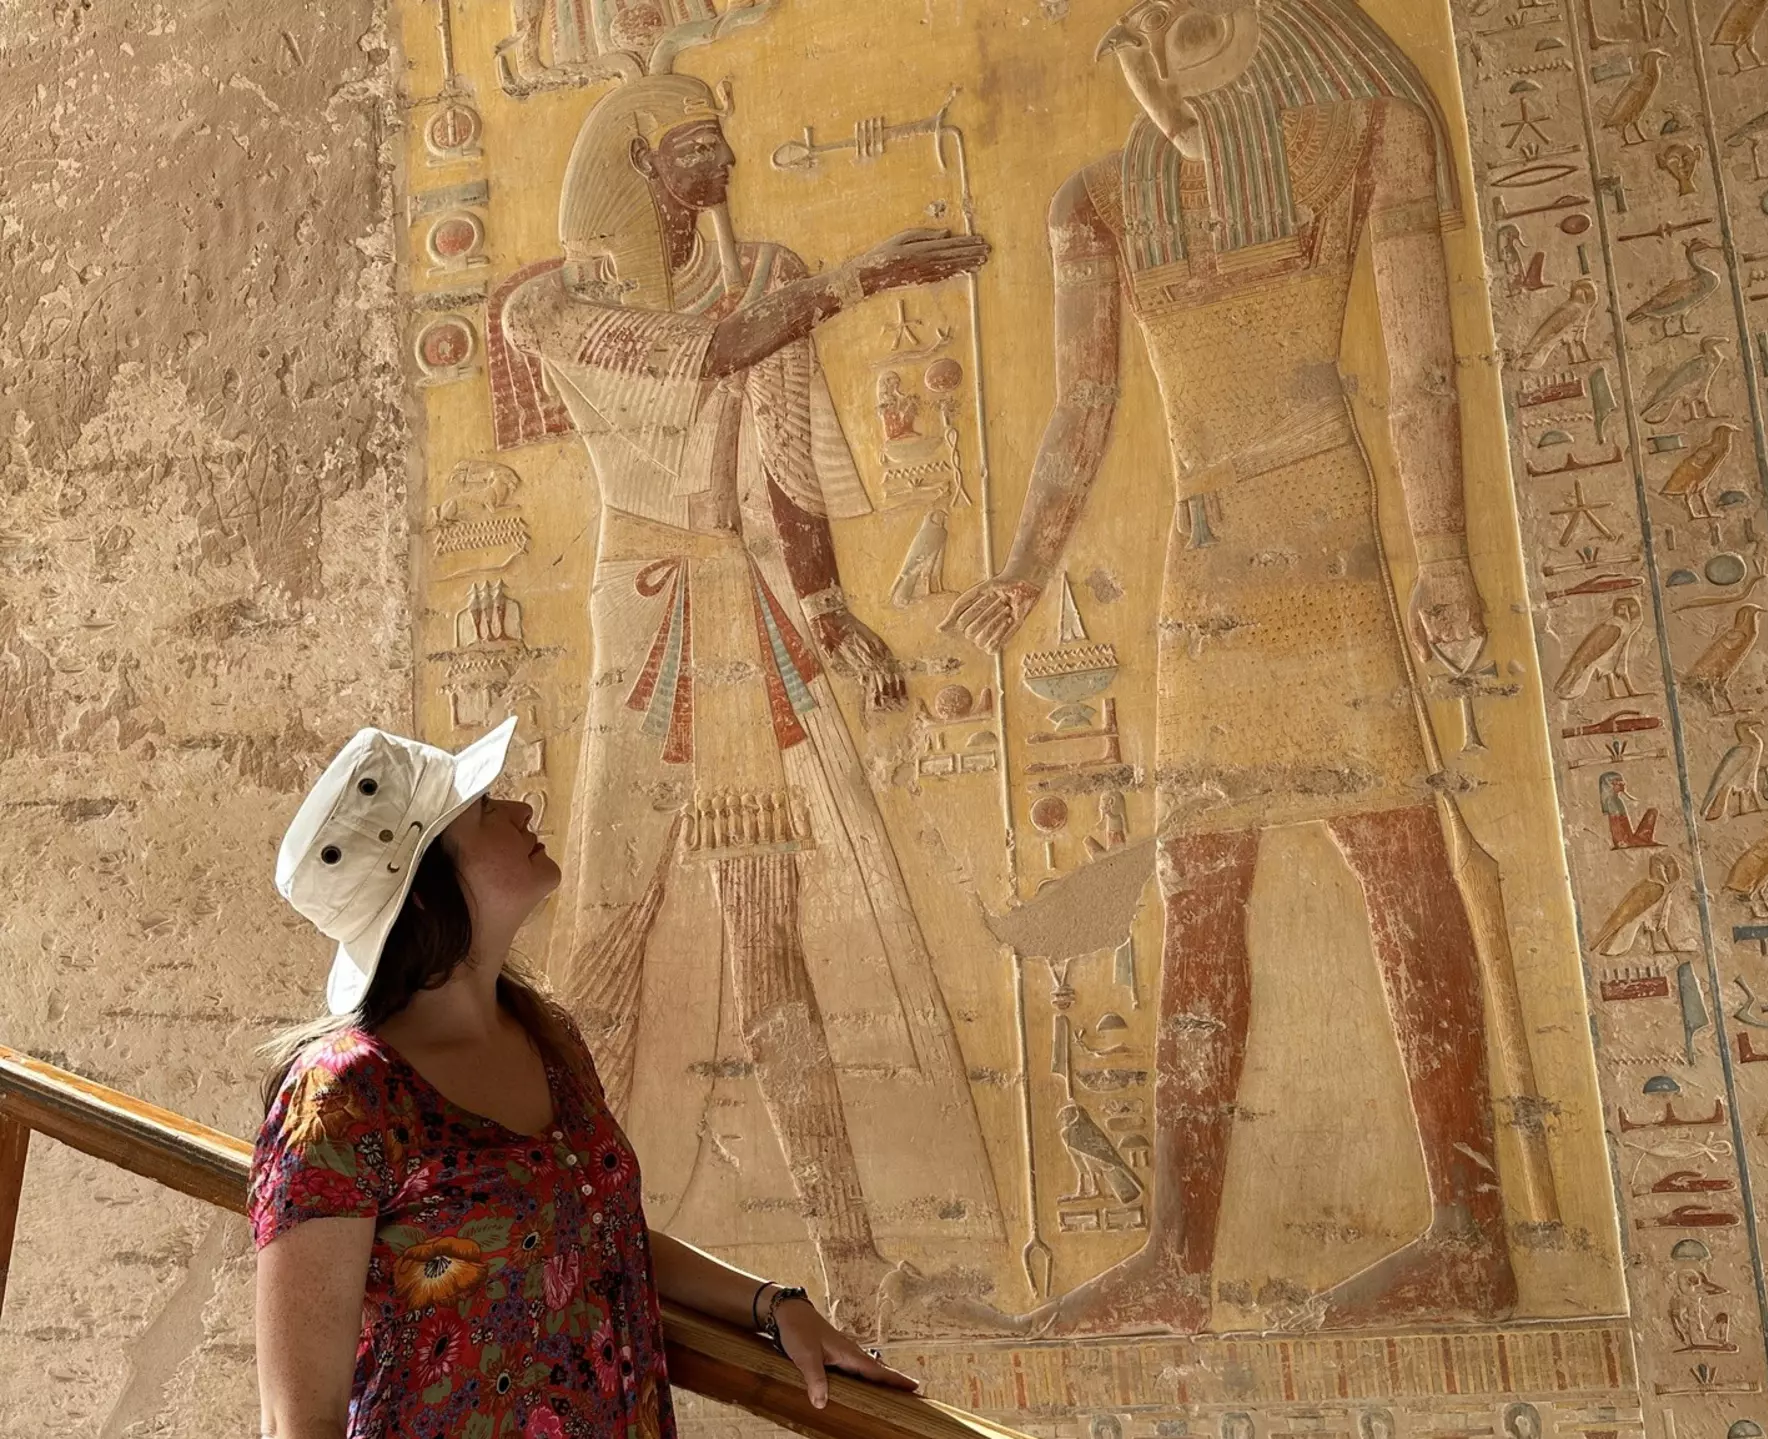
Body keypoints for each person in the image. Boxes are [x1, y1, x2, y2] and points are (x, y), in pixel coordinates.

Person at [944, 0, 1515, 1331]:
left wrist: (1443, 560)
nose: (1152, 57)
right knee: (1197, 891)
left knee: (1401, 865)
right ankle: (1177, 1263)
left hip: (1327, 540)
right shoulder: (1100, 199)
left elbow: (1427, 366)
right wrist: (1024, 568)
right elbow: (1084, 406)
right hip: (1203, 567)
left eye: (1187, 27)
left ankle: (1472, 1230)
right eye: (1137, 33)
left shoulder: (1372, 132)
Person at [497, 70, 1003, 1337]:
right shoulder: (552, 312)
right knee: (605, 939)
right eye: (696, 151)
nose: (723, 168)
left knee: (771, 944)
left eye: (719, 145)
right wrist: (858, 279)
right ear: (634, 173)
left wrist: (830, 610)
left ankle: (858, 1264)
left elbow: (784, 462)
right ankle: (538, 1251)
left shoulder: (759, 270)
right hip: (643, 618)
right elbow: (698, 359)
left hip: (739, 613)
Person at [250, 715, 910, 1438]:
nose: (521, 808)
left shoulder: (546, 1035)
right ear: (426, 890)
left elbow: (595, 1229)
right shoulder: (343, 1097)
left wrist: (773, 1303)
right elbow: (298, 1419)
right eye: (482, 809)